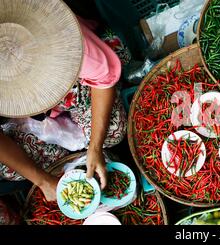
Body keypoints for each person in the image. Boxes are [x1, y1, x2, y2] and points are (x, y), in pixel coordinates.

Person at [0, 0, 127, 201]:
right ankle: (77, 161)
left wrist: (95, 146)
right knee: (10, 170)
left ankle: (91, 154)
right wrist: (41, 180)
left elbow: (102, 79)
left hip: (77, 80)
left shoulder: (63, 39)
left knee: (112, 132)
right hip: (34, 113)